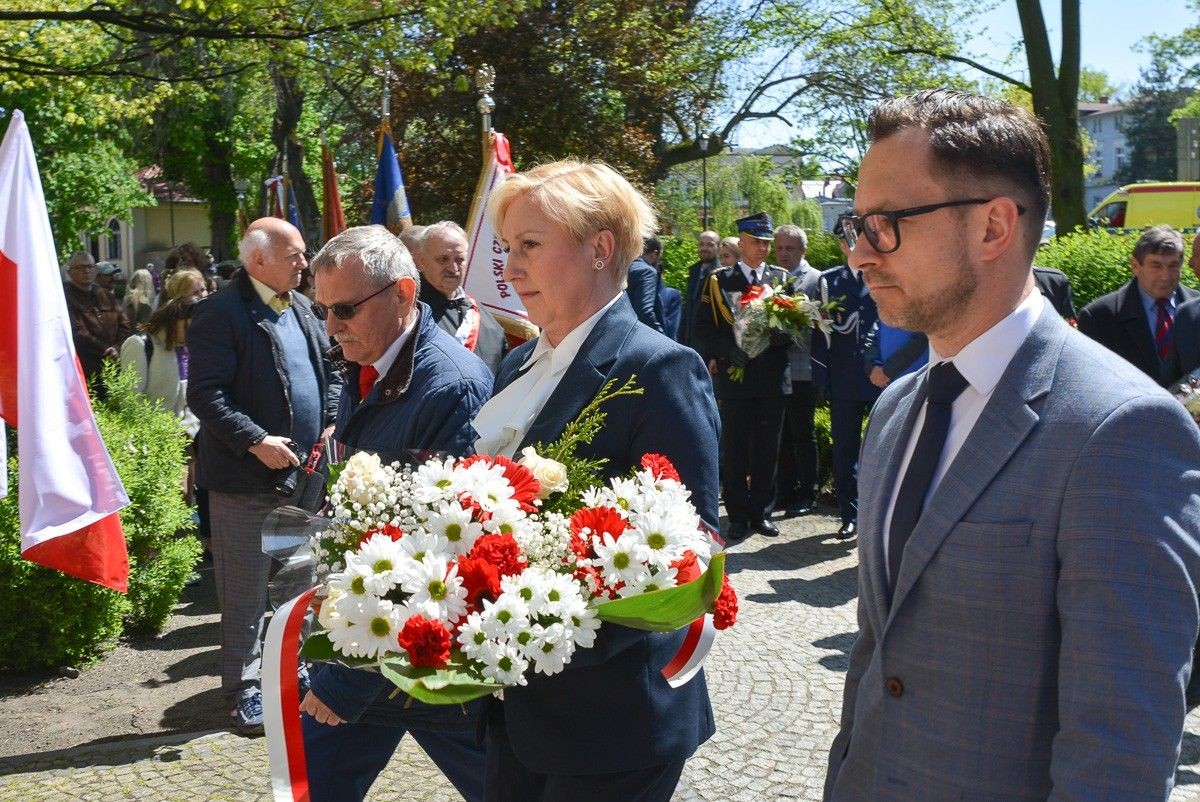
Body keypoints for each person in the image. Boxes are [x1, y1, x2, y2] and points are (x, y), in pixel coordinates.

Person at [824, 88, 1200, 801]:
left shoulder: (1122, 431)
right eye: (856, 224)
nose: (860, 252)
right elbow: (879, 655)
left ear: (995, 226)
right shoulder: (897, 409)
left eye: (887, 224)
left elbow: (1118, 750)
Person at [472, 159, 719, 802]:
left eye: (529, 246)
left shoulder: (660, 368)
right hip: (518, 712)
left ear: (600, 248)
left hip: (614, 724)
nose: (510, 268)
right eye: (507, 249)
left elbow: (685, 556)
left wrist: (526, 640)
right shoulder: (520, 363)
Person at [300, 225, 493, 802]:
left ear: (404, 295)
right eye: (323, 311)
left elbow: (436, 556)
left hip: (416, 656)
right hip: (372, 643)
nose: (331, 328)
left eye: (344, 310)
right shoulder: (368, 362)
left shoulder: (451, 387)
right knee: (315, 785)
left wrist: (346, 678)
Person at [187, 218, 342, 735]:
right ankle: (243, 693)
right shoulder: (218, 314)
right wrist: (255, 439)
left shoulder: (302, 308)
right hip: (243, 481)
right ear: (257, 260)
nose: (305, 262)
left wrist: (330, 420)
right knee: (244, 593)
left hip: (307, 477)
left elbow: (334, 370)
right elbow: (205, 394)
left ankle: (289, 673)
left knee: (299, 584)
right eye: (295, 255)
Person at [694, 212, 791, 540]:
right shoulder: (720, 281)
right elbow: (704, 326)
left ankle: (762, 513)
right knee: (735, 448)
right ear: (742, 241)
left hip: (773, 377)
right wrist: (724, 351)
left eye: (766, 243)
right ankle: (736, 515)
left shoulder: (780, 278)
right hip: (737, 378)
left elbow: (794, 323)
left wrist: (783, 334)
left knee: (767, 449)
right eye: (757, 242)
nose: (763, 248)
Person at [811, 241, 881, 539]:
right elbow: (820, 332)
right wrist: (821, 377)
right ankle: (849, 514)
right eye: (851, 238)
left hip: (881, 376)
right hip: (844, 379)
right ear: (842, 243)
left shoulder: (881, 272)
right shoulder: (829, 281)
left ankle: (876, 516)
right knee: (844, 450)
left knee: (880, 448)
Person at [1077, 224, 1198, 384]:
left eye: (1173, 266)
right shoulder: (1099, 317)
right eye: (1156, 265)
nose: (1165, 275)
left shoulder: (1195, 309)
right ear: (1135, 265)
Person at [417, 220, 509, 375]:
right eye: (443, 259)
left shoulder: (490, 325)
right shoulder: (406, 315)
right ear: (422, 261)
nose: (453, 268)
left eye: (459, 260)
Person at [775, 224, 821, 517]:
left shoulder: (817, 279)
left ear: (803, 250)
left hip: (804, 367)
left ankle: (808, 493)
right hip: (775, 369)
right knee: (780, 433)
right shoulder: (769, 278)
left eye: (789, 248)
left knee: (803, 433)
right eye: (779, 248)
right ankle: (783, 490)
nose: (783, 254)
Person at [63, 250, 133, 389]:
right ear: (70, 272)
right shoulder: (65, 297)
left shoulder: (105, 294)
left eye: (90, 266)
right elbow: (77, 332)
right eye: (80, 267)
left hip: (113, 367)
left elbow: (124, 323)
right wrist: (105, 349)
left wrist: (116, 348)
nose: (86, 271)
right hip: (86, 369)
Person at [679, 230, 720, 348]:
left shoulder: (721, 274)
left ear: (718, 247)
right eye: (701, 244)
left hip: (710, 344)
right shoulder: (694, 271)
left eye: (710, 244)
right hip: (689, 340)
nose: (704, 248)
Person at [862, 320, 927, 388]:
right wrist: (873, 365)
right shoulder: (884, 311)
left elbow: (921, 339)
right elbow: (872, 336)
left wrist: (888, 370)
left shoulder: (923, 310)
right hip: (887, 386)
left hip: (915, 383)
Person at [625, 236, 666, 332]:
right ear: (654, 254)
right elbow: (645, 311)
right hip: (639, 334)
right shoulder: (647, 271)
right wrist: (661, 336)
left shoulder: (622, 269)